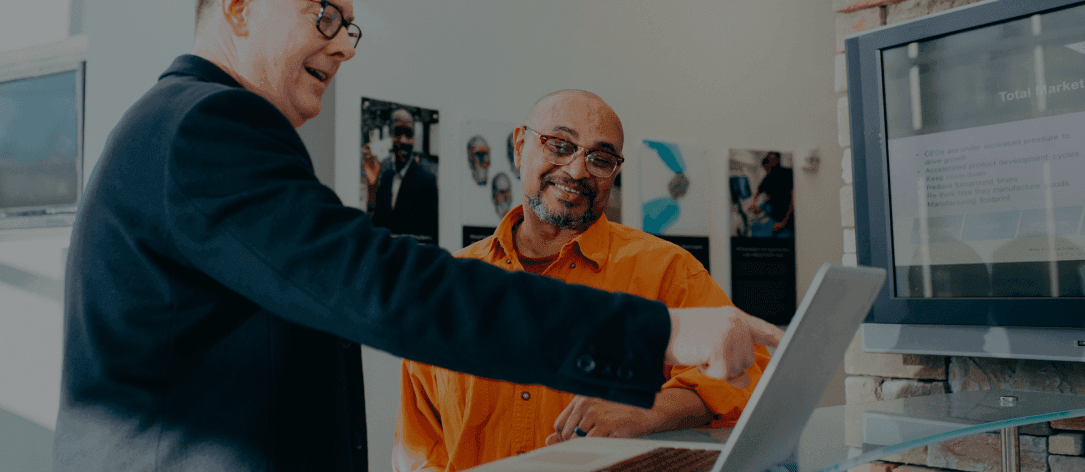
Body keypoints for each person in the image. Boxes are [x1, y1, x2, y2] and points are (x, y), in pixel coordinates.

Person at [54, 1, 782, 471]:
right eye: (325, 15)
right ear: (240, 8)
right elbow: (383, 287)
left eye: (350, 26)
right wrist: (656, 334)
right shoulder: (207, 125)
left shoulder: (178, 126)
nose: (343, 46)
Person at [393, 91, 772, 472]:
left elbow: (748, 373)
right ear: (520, 146)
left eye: (600, 159)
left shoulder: (667, 270)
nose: (576, 171)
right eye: (560, 145)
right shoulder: (447, 288)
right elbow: (420, 447)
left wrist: (651, 411)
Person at [364, 109, 439, 244]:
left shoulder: (427, 182)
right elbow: (375, 227)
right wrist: (372, 187)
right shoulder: (386, 178)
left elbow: (431, 239)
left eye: (408, 134)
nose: (403, 140)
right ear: (390, 136)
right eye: (398, 133)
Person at [748, 151, 795, 236]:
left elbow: (793, 200)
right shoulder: (768, 178)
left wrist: (783, 222)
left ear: (778, 160)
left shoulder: (788, 173)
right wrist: (754, 202)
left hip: (788, 219)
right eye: (770, 160)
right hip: (775, 217)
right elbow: (759, 190)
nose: (771, 164)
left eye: (772, 160)